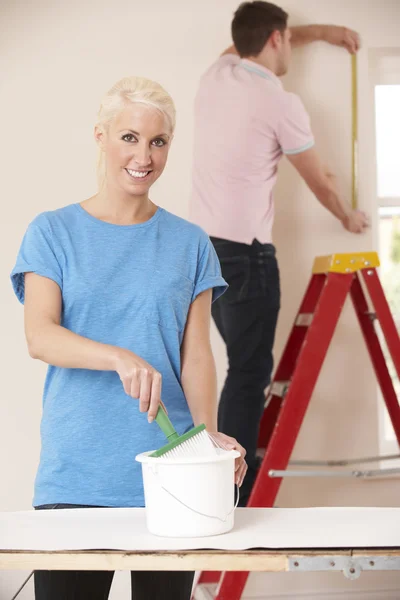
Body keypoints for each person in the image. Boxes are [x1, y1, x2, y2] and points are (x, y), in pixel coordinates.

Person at [10, 75, 247, 600]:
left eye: (158, 141)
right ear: (100, 136)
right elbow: (41, 336)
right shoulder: (53, 232)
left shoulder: (189, 243)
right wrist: (117, 356)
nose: (144, 155)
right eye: (130, 137)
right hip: (77, 475)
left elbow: (197, 355)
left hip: (172, 479)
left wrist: (204, 441)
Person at [189, 1, 369, 507]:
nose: (291, 46)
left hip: (201, 253)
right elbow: (320, 179)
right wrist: (348, 217)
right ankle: (232, 493)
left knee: (237, 368)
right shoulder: (279, 101)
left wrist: (323, 31)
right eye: (288, 38)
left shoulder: (218, 72)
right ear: (276, 38)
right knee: (248, 373)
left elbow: (242, 44)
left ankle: (223, 481)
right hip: (246, 256)